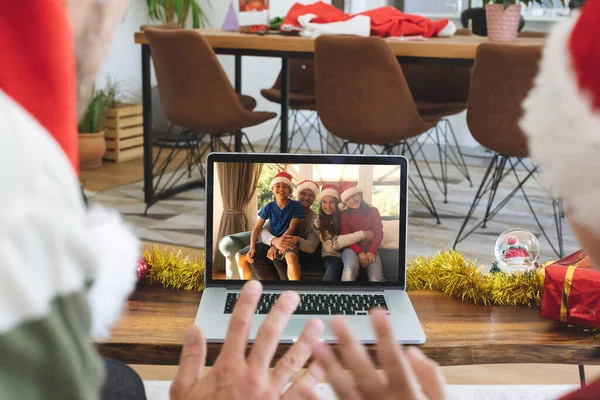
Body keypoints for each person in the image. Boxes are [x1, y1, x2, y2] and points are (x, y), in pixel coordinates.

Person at [237, 172, 305, 280]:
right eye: (278, 186)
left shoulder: (296, 206)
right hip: (271, 241)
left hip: (288, 239)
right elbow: (257, 228)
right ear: (272, 189)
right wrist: (253, 248)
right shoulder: (269, 207)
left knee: (291, 257)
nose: (281, 189)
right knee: (241, 256)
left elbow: (292, 228)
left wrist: (276, 245)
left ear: (290, 190)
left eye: (285, 186)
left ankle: (295, 289)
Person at [250, 179, 321, 280]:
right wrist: (275, 242)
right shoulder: (281, 209)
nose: (306, 198)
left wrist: (295, 240)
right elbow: (263, 230)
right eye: (303, 194)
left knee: (288, 256)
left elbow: (311, 247)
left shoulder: (315, 219)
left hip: (301, 253)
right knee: (257, 255)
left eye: (311, 195)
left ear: (315, 198)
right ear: (297, 194)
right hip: (281, 249)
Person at [313, 184, 376, 281]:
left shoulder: (344, 215)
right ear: (321, 204)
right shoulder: (318, 221)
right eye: (324, 202)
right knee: (334, 268)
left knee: (363, 271)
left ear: (338, 203)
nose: (328, 206)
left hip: (351, 251)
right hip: (332, 255)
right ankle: (322, 294)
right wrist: (363, 234)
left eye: (332, 202)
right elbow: (335, 243)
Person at [338, 182, 386, 282]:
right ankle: (344, 295)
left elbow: (379, 233)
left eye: (353, 195)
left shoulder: (373, 211)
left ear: (359, 194)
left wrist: (371, 252)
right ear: (344, 203)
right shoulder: (344, 215)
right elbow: (346, 236)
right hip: (351, 248)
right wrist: (360, 252)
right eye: (347, 199)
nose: (352, 201)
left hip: (370, 247)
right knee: (350, 270)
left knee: (376, 278)